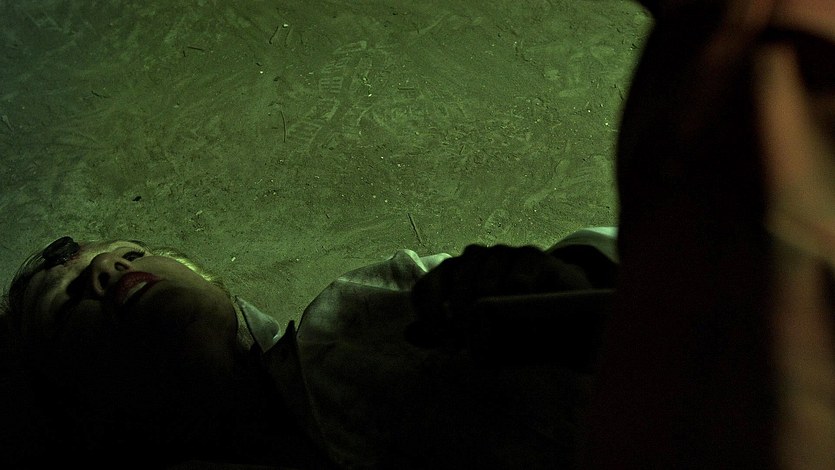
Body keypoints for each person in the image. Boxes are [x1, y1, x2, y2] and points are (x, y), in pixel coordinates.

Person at [0, 229, 618, 469]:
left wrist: (581, 275)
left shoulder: (370, 311)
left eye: (131, 253)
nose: (107, 267)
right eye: (66, 302)